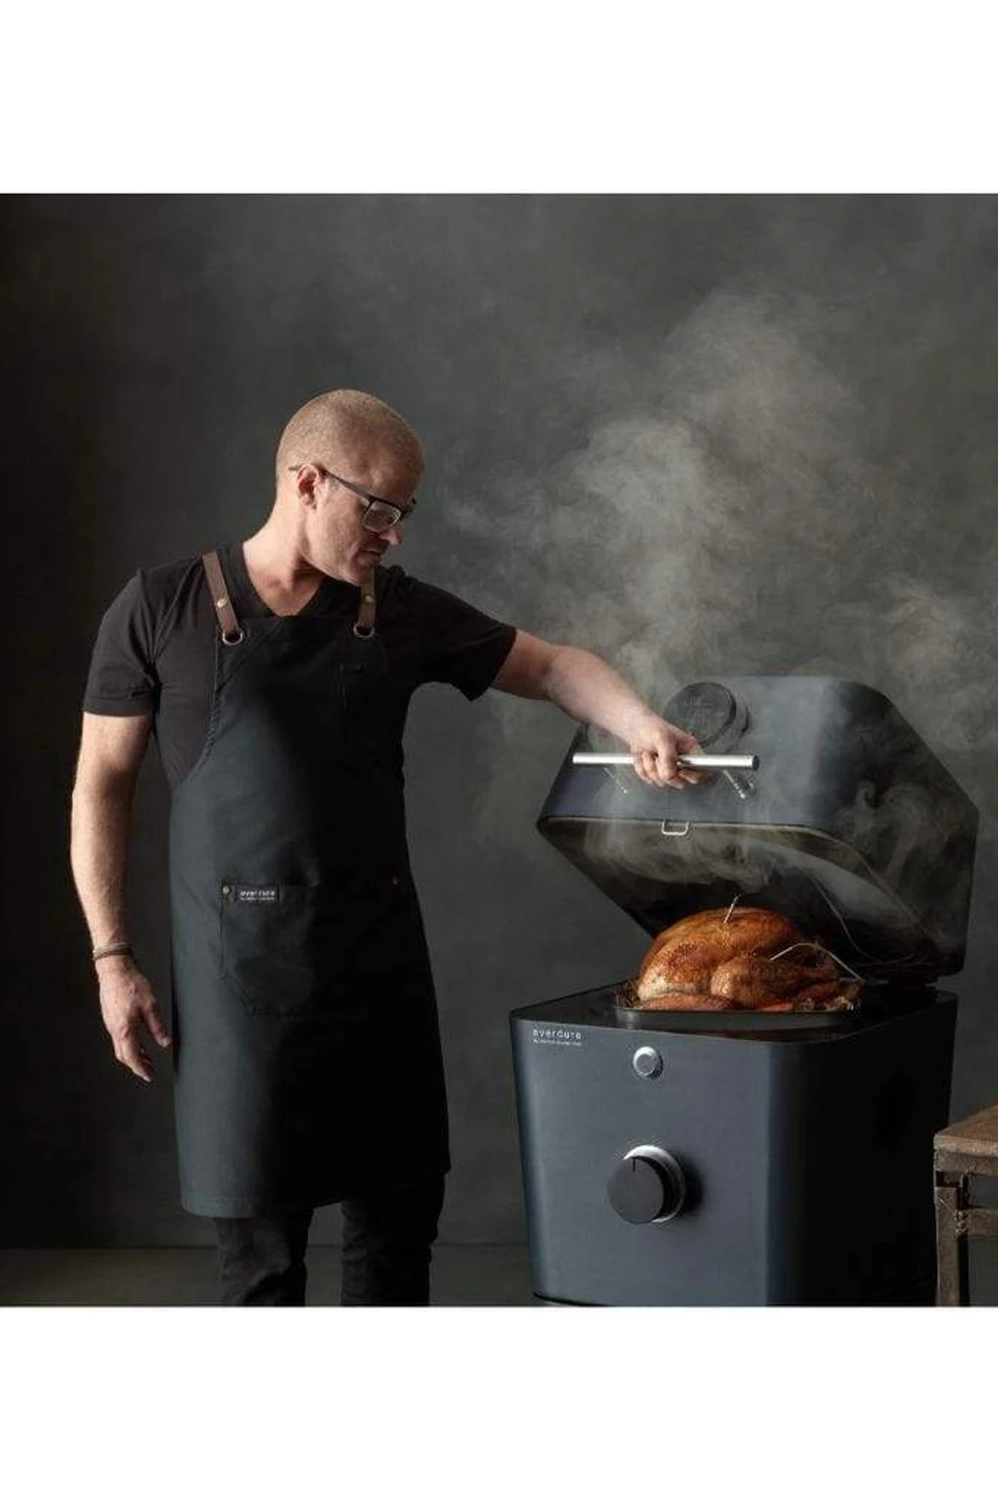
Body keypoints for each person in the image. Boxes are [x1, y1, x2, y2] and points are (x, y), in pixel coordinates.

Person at [70, 389, 703, 1306]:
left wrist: (638, 721)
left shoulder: (396, 610)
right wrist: (111, 959)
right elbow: (99, 786)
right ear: (308, 484)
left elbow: (553, 665)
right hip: (237, 991)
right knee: (261, 1270)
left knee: (396, 1249)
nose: (394, 534)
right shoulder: (159, 607)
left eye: (405, 512)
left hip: (378, 977)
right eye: (379, 509)